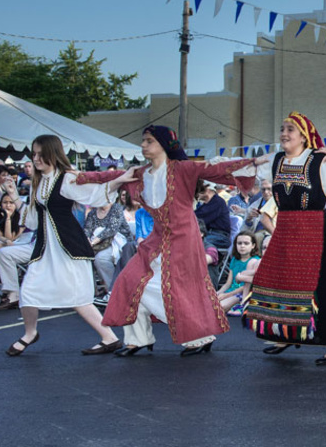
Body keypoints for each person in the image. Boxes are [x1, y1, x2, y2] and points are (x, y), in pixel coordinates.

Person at [76, 125, 259, 357]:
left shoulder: (183, 169)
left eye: (149, 140)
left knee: (176, 289)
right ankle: (138, 339)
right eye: (143, 140)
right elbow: (108, 176)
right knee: (128, 281)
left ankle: (200, 337)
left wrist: (257, 162)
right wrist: (77, 176)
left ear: (163, 144)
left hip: (184, 237)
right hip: (157, 238)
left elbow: (217, 168)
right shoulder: (139, 174)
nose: (143, 145)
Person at [243, 112, 326, 365]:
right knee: (282, 282)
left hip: (315, 232)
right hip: (286, 231)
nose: (284, 133)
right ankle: (288, 332)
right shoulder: (276, 161)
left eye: (290, 129)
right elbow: (245, 167)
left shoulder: (321, 162)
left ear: (304, 136)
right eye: (282, 128)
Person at [5, 134, 126, 356]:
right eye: (34, 154)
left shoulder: (67, 179)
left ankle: (109, 337)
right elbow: (32, 220)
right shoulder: (40, 183)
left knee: (79, 297)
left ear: (53, 153)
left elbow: (97, 195)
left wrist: (119, 180)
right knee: (28, 290)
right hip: (45, 248)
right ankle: (30, 333)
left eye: (41, 154)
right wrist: (14, 196)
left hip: (68, 247)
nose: (36, 158)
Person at [216, 231, 261, 315]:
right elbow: (228, 283)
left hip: (241, 293)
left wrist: (226, 295)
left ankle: (240, 305)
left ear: (253, 246)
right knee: (210, 303)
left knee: (219, 307)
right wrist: (218, 293)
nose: (242, 246)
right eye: (239, 243)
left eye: (246, 243)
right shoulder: (234, 259)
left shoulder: (255, 261)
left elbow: (246, 286)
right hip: (231, 290)